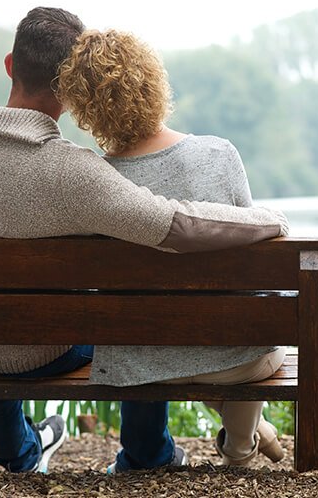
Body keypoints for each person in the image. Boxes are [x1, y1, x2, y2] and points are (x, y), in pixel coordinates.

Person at [0, 7, 289, 474]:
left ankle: (21, 454)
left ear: (10, 64)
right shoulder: (72, 171)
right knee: (131, 316)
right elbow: (174, 224)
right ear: (72, 91)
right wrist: (266, 221)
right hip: (42, 351)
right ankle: (150, 453)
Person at [55, 28, 286, 470]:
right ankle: (241, 449)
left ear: (86, 110)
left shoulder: (98, 182)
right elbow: (253, 260)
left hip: (141, 364)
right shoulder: (219, 154)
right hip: (235, 361)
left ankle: (246, 437)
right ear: (153, 81)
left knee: (183, 337)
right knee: (250, 331)